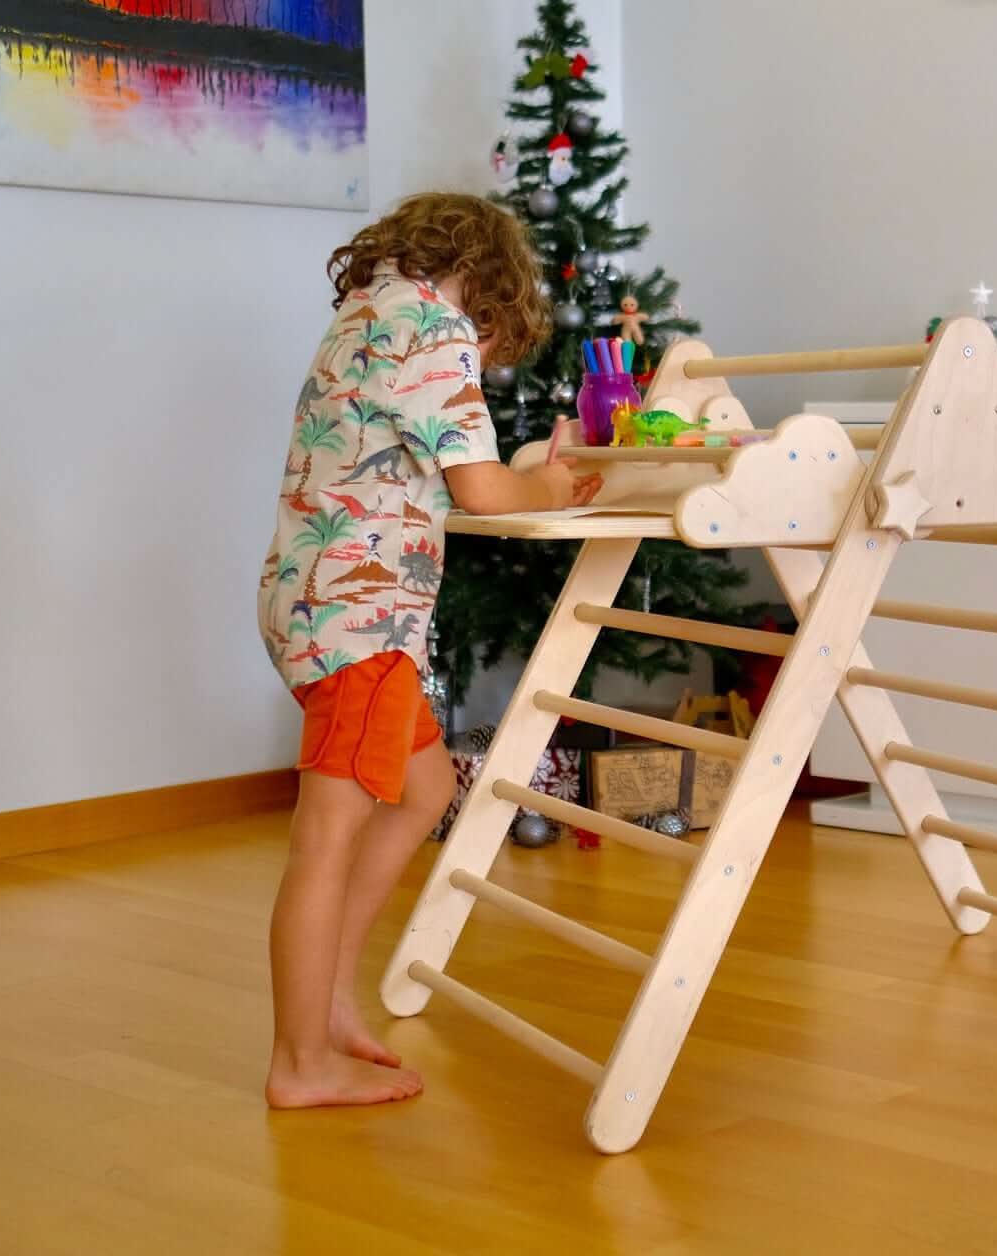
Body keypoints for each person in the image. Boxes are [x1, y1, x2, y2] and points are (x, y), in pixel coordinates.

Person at [256, 193, 598, 1108]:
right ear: (484, 290)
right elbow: (481, 492)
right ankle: (298, 1063)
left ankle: (328, 1004)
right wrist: (554, 486)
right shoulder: (436, 329)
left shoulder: (365, 314)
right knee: (325, 838)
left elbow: (425, 477)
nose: (482, 360)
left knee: (425, 787)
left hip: (311, 599)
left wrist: (523, 475)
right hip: (360, 627)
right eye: (492, 339)